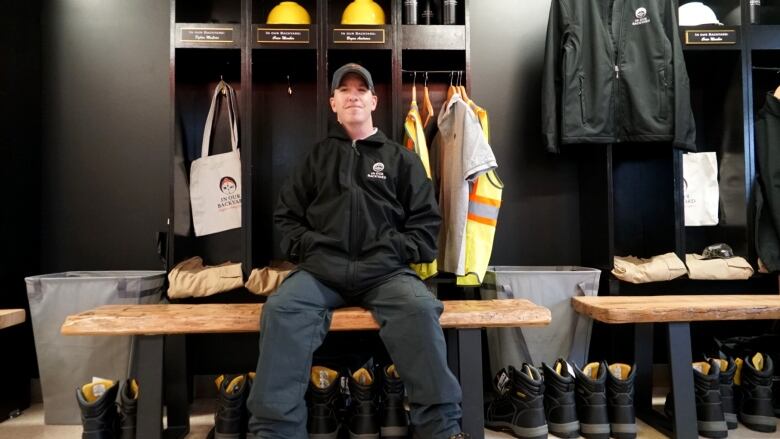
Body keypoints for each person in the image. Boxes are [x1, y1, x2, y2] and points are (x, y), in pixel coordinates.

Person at [245, 63, 470, 439]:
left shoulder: (401, 160)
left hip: (386, 274)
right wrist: (312, 249)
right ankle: (274, 432)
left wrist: (393, 249)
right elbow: (286, 218)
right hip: (321, 273)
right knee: (282, 310)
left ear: (374, 101)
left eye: (361, 90)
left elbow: (427, 227)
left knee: (419, 308)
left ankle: (441, 430)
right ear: (333, 102)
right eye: (344, 90)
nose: (353, 95)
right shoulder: (315, 159)